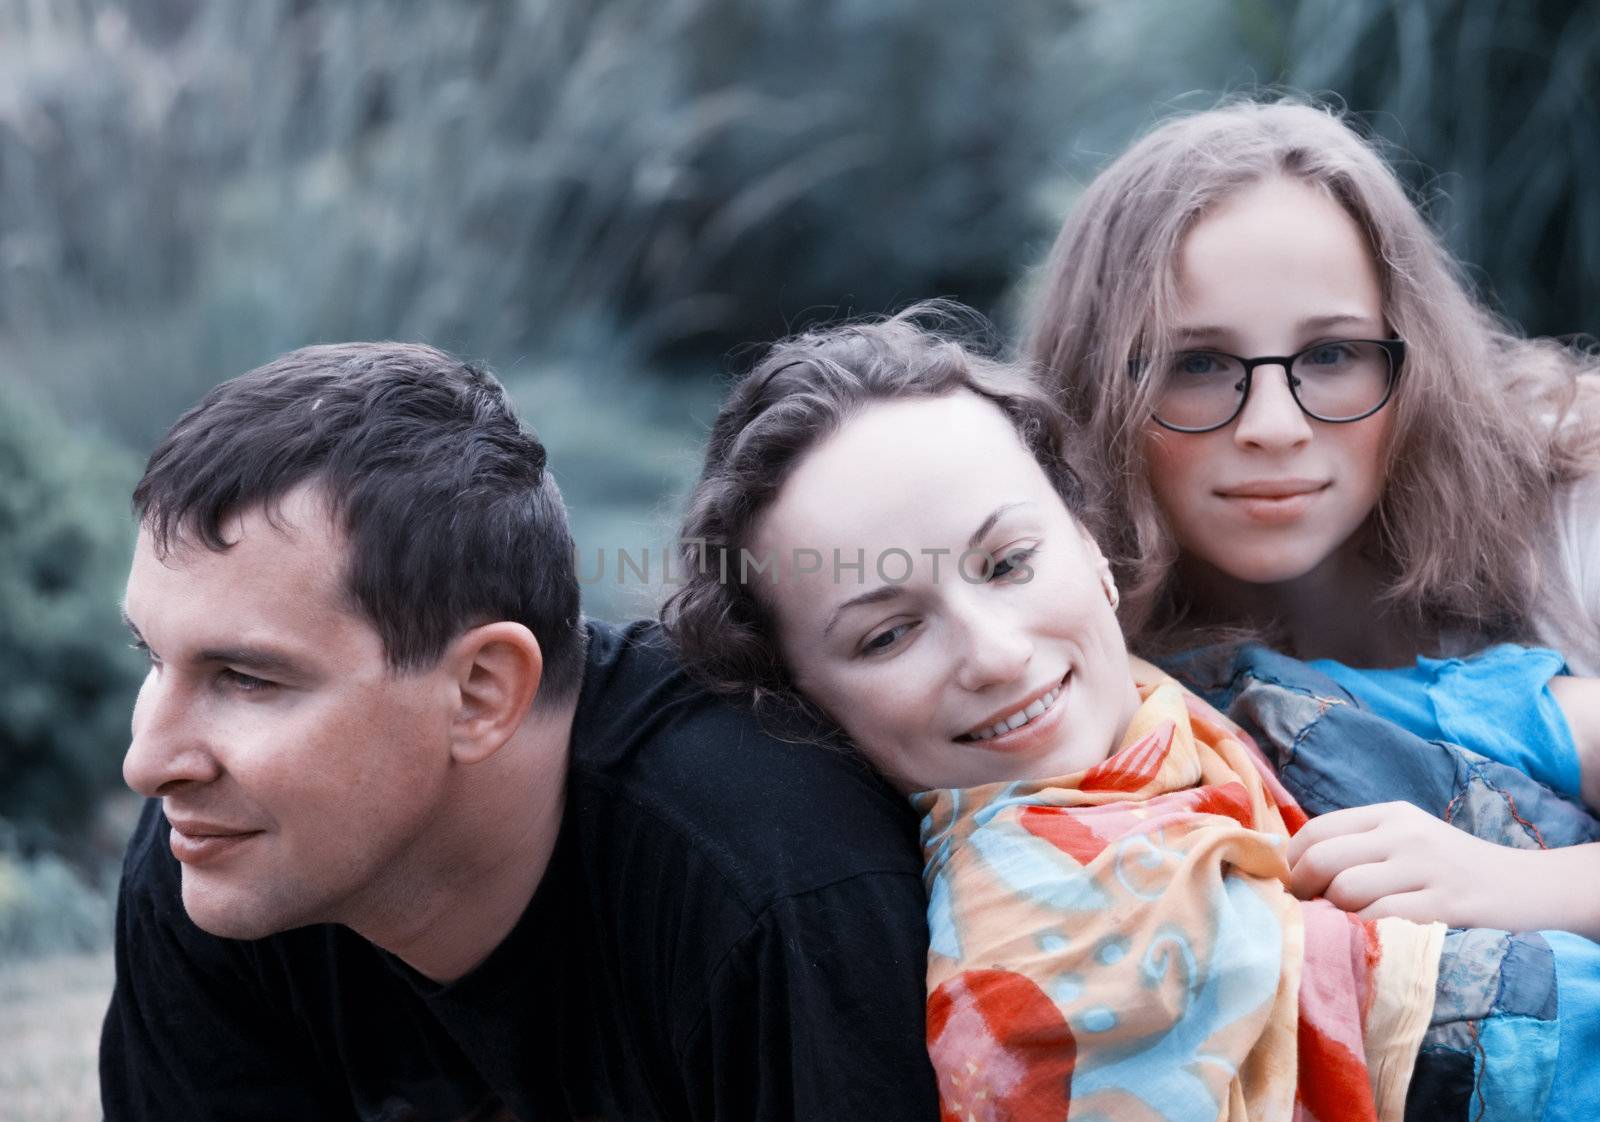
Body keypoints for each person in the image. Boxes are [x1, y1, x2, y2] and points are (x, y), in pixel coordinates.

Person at [661, 311, 1600, 1121]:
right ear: (809, 705)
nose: (994, 652)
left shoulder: (1245, 694)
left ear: (1091, 545)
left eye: (1008, 563)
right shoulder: (1037, 990)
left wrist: (1537, 886)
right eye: (888, 635)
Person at [99, 342, 939, 1121]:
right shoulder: (221, 852)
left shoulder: (770, 882)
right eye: (152, 657)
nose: (151, 762)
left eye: (245, 679)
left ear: (479, 692)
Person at [1021, 97, 1600, 939]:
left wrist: (1530, 886)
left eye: (1331, 355)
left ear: (1416, 354)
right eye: (1199, 364)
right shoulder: (1064, 639)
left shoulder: (1570, 499)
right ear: (1100, 390)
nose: (1273, 426)